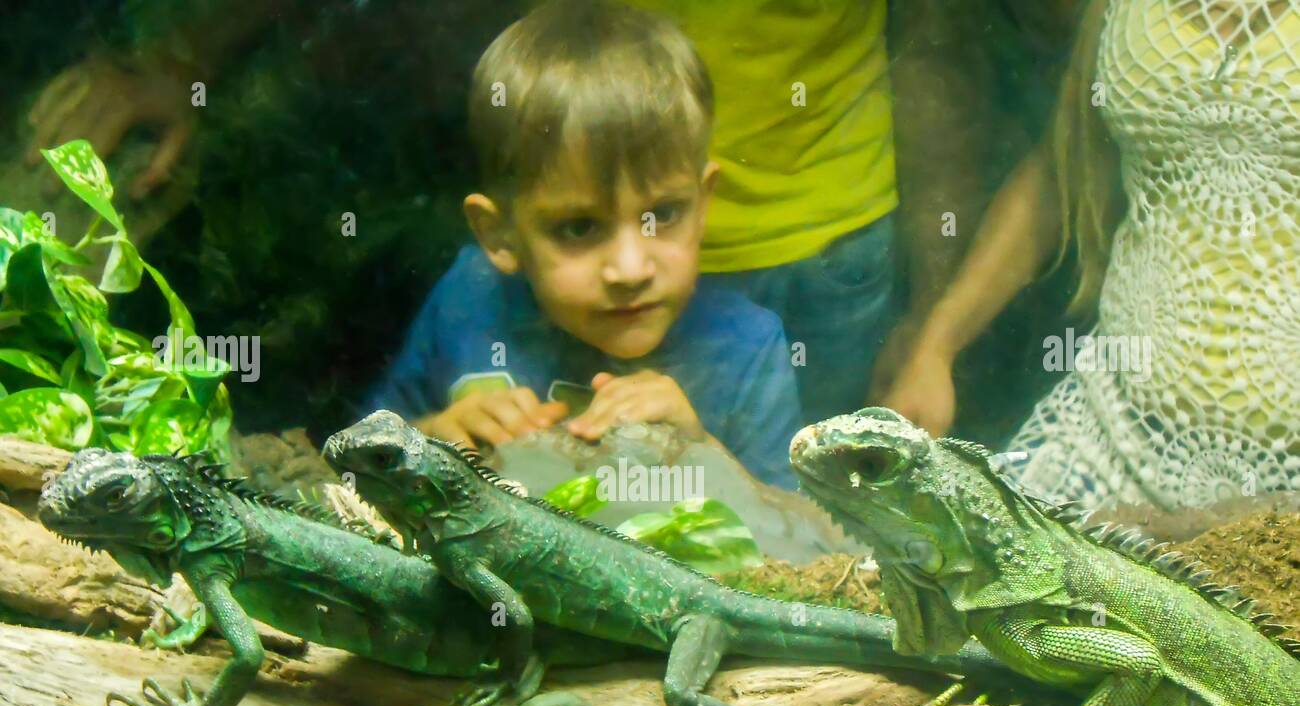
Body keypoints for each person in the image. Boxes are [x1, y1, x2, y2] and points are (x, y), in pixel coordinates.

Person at [362, 0, 804, 490]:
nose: (631, 268)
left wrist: (702, 455)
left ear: (703, 207)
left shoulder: (748, 349)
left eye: (664, 215)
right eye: (578, 227)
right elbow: (352, 456)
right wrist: (430, 441)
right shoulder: (466, 298)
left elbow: (803, 542)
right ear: (498, 235)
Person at [879, 0, 1300, 512]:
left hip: (1290, 468)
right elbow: (1063, 170)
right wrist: (936, 346)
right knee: (977, 566)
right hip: (1114, 430)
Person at [628, 0, 900, 427]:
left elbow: (939, 43)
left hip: (832, 238)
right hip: (666, 246)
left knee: (824, 471)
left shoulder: (753, 337)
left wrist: (932, 327)